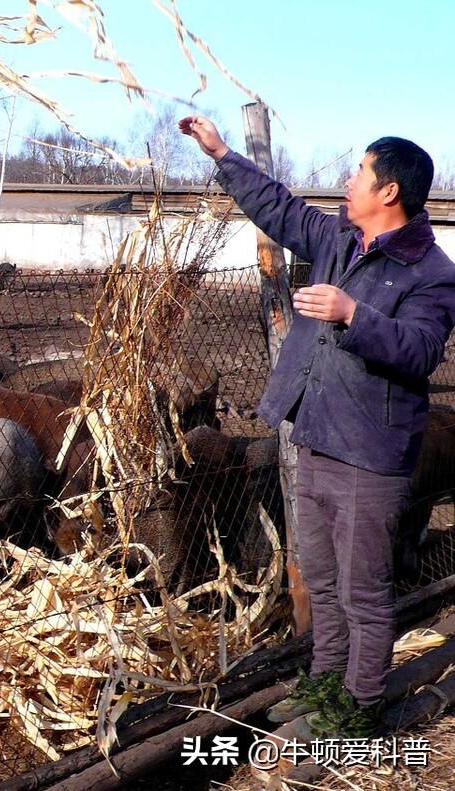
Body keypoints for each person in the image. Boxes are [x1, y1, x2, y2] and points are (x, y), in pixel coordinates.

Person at [180, 115, 455, 738]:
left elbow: (420, 351)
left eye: (360, 171)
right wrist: (223, 153)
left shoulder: (432, 272)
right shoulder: (338, 239)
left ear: (389, 191)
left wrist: (352, 312)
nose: (349, 180)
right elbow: (277, 208)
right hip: (318, 436)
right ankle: (327, 684)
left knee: (364, 589)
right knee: (325, 583)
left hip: (370, 450)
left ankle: (359, 708)